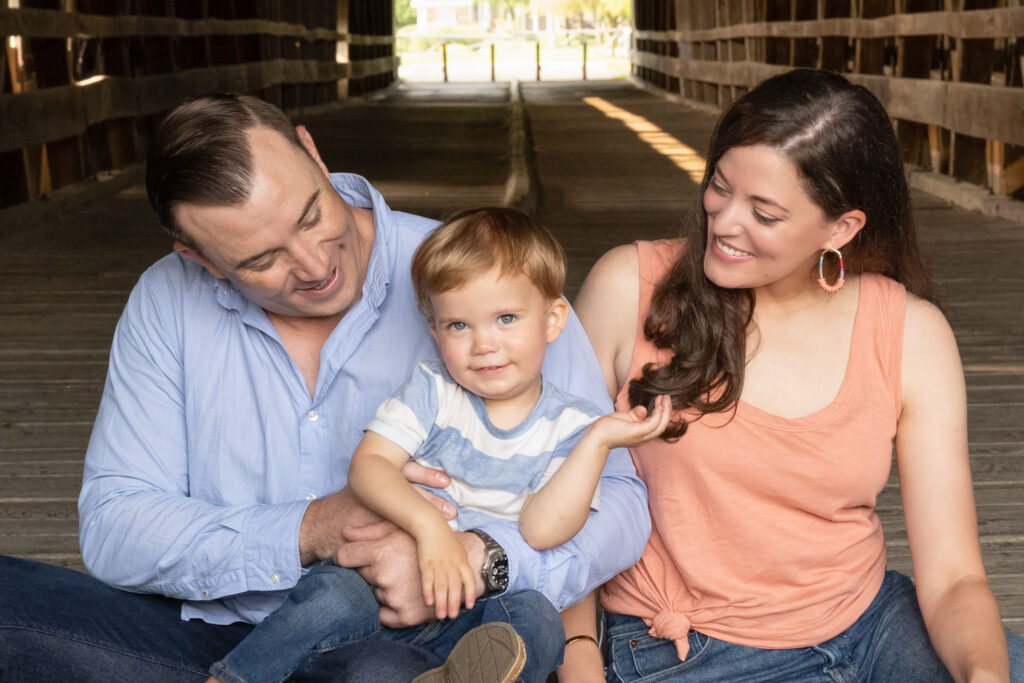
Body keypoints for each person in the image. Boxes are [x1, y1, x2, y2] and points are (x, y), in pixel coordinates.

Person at [0, 94, 651, 681]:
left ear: (312, 151)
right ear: (196, 257)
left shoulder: (485, 287)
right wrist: (310, 528)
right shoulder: (167, 300)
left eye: (312, 213)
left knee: (381, 672)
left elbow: (620, 502)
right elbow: (116, 524)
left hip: (407, 641)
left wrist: (479, 559)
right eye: (261, 260)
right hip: (200, 639)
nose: (315, 265)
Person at [564, 68, 1024, 682]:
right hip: (691, 650)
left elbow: (956, 577)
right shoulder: (630, 288)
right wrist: (577, 655)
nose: (725, 223)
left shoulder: (911, 332)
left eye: (765, 213)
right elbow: (550, 486)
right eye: (720, 188)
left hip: (871, 624)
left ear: (840, 229)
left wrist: (983, 677)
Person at [205, 208, 670, 683]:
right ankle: (235, 677)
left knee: (535, 616)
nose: (483, 344)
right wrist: (430, 530)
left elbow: (542, 529)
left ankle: (458, 677)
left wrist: (595, 443)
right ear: (435, 331)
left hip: (471, 618)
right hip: (378, 596)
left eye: (505, 318)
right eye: (459, 326)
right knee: (330, 597)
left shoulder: (572, 423)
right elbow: (369, 466)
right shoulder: (434, 390)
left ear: (554, 321)